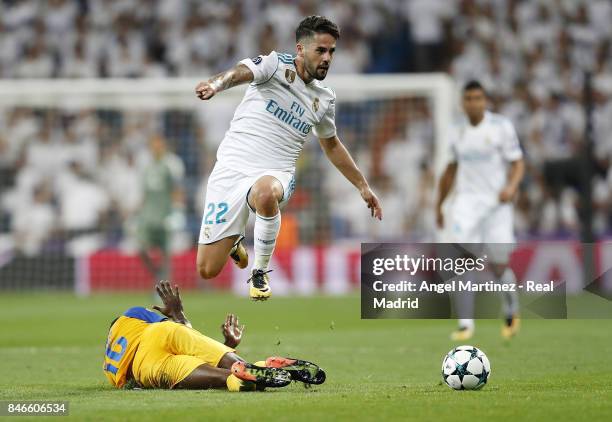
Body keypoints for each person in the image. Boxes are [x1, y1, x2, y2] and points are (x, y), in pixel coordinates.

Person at [194, 15, 383, 301]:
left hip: (277, 173)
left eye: (332, 51)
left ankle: (260, 272)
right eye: (321, 50)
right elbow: (240, 71)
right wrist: (216, 84)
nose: (327, 58)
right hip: (230, 171)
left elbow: (331, 145)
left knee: (266, 192)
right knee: (207, 269)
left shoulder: (324, 99)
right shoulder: (274, 66)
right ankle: (235, 240)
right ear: (300, 49)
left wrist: (362, 185)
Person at [103, 281, 325, 391]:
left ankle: (236, 381)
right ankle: (260, 366)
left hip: (142, 366)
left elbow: (133, 384)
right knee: (233, 364)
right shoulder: (130, 316)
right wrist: (177, 313)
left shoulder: (109, 371)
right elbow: (184, 335)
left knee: (220, 377)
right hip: (159, 333)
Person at [436, 80, 525, 341]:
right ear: (462, 103)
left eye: (478, 98)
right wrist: (439, 204)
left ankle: (511, 310)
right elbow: (450, 171)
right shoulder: (455, 130)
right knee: (463, 262)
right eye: (469, 98)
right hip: (466, 204)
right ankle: (466, 324)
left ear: (485, 101)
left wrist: (511, 186)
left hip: (497, 205)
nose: (473, 103)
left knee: (498, 266)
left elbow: (518, 163)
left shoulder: (501, 127)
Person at [137, 135, 185, 283]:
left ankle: (164, 289)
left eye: (159, 144)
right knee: (141, 248)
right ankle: (157, 275)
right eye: (153, 145)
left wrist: (177, 211)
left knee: (165, 254)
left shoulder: (172, 164)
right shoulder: (146, 166)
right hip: (148, 216)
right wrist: (138, 214)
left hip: (165, 215)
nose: (156, 148)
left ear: (164, 145)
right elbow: (144, 192)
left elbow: (177, 189)